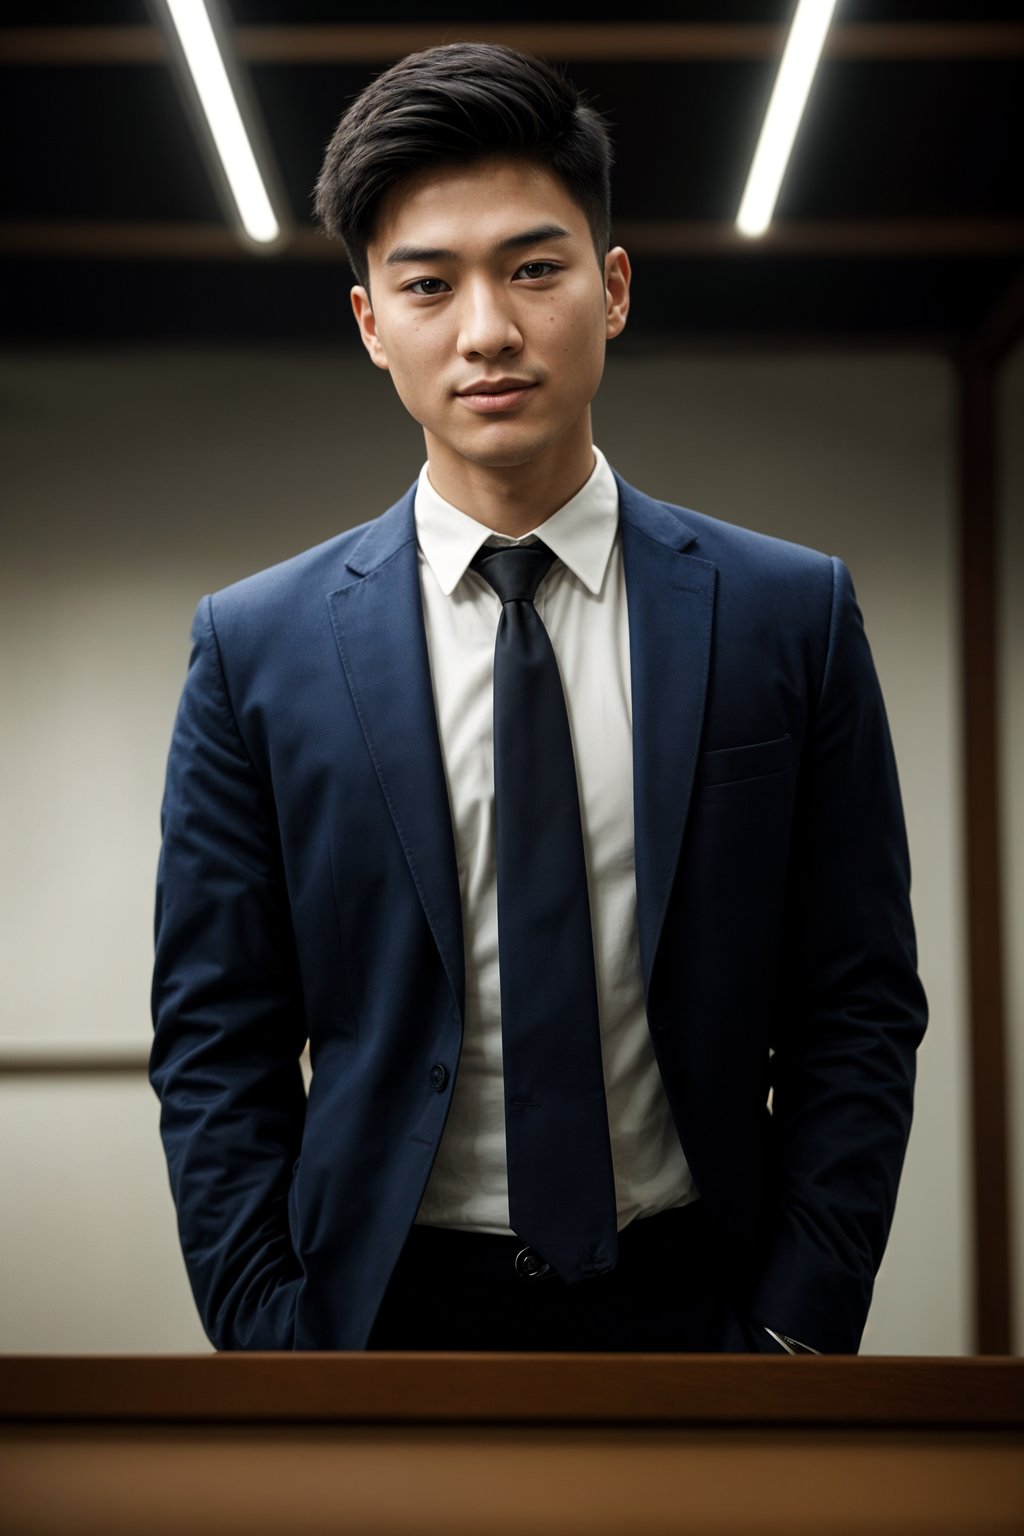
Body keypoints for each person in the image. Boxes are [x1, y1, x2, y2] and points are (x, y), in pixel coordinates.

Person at [150, 41, 927, 1354]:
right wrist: (279, 1347)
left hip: (705, 1306)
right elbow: (215, 1043)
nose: (488, 329)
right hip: (376, 1319)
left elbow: (858, 1005)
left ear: (612, 288)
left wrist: (799, 1329)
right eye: (429, 284)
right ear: (371, 326)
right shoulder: (255, 648)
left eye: (533, 268)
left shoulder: (788, 616)